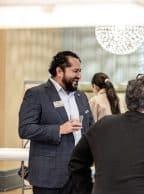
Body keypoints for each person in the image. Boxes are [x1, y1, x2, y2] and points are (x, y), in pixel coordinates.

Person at [18, 51, 94, 194]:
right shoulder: (36, 94)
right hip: (48, 178)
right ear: (59, 71)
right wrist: (59, 129)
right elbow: (25, 129)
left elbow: (90, 127)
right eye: (75, 71)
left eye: (80, 71)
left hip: (78, 176)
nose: (79, 76)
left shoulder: (81, 96)